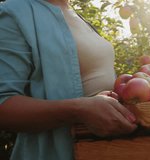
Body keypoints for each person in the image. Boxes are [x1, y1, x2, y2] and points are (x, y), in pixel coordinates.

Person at [0, 0, 137, 159]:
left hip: (106, 150)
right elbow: (3, 106)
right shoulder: (14, 13)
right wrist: (79, 109)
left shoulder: (76, 16)